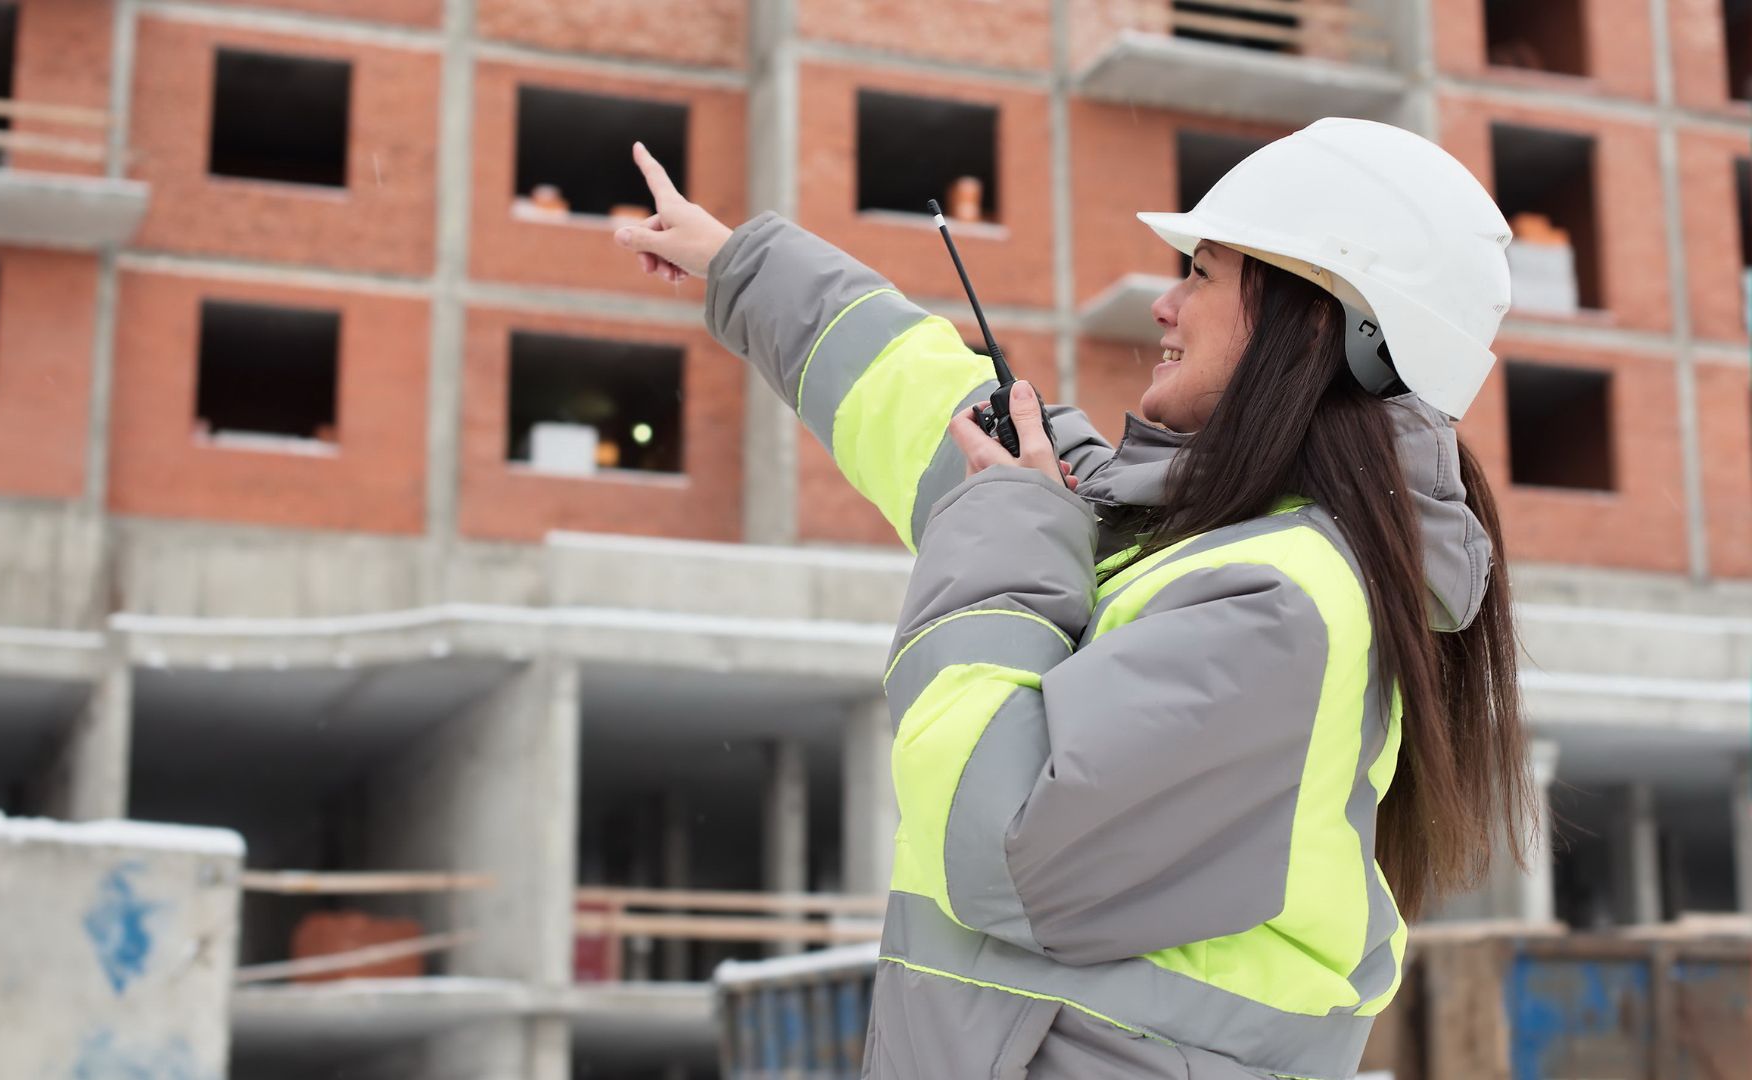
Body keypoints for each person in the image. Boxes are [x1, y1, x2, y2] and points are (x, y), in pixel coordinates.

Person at [614, 118, 1537, 1080]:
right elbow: (940, 408)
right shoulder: (1183, 532)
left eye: (1203, 274)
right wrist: (742, 266)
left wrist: (1007, 534)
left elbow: (1007, 850)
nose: (1165, 306)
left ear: (1321, 323)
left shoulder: (1286, 599)